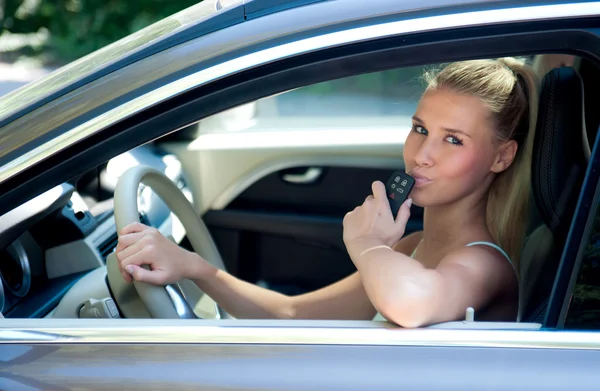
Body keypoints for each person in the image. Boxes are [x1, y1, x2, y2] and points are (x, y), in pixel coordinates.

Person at [115, 57, 539, 327]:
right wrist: (194, 268)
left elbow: (409, 305)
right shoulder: (412, 247)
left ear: (501, 157)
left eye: (453, 140)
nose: (422, 155)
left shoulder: (482, 263)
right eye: (420, 129)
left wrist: (369, 245)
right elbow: (292, 313)